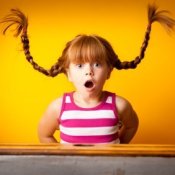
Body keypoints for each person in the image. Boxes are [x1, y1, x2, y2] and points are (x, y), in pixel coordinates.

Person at [0, 4, 174, 144]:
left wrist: (119, 147)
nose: (88, 71)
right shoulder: (58, 108)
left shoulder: (120, 106)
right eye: (80, 65)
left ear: (109, 72)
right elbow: (43, 134)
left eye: (97, 64)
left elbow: (131, 126)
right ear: (68, 74)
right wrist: (61, 158)